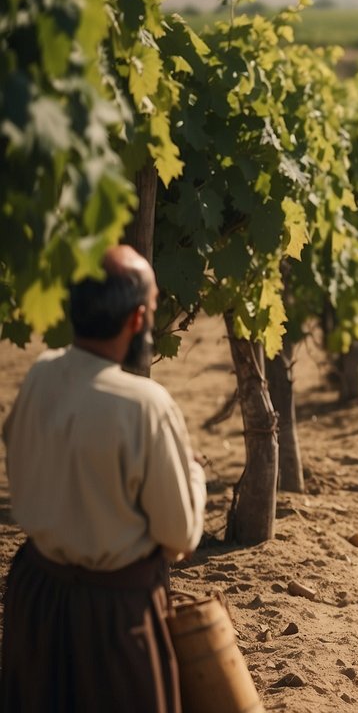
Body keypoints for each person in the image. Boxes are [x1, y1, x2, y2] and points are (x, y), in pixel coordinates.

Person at [2, 245, 207, 712]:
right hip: (116, 615)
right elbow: (178, 536)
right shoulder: (145, 405)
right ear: (137, 320)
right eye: (154, 309)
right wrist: (193, 475)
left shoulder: (40, 374)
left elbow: (17, 448)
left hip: (35, 597)